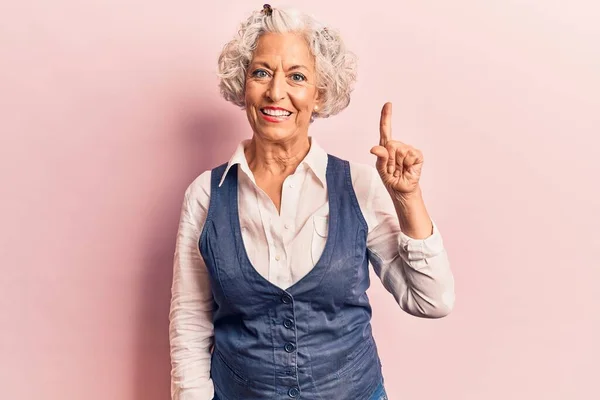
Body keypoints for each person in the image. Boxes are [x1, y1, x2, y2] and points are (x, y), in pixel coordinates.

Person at [169, 4, 455, 400]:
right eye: (261, 72)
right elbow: (190, 324)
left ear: (319, 95)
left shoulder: (358, 185)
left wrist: (407, 199)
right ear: (243, 84)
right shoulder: (205, 194)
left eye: (297, 76)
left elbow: (432, 301)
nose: (275, 92)